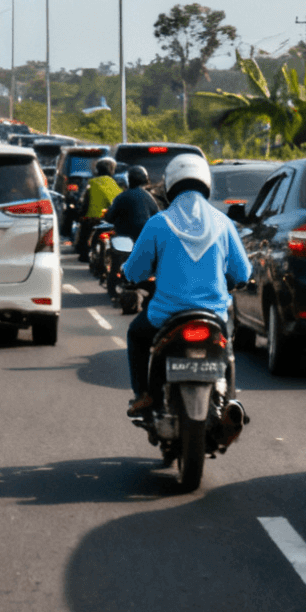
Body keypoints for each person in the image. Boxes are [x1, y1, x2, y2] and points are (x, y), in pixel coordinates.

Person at [119, 154, 250, 416]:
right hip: (214, 315)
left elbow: (134, 270)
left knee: (136, 334)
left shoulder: (158, 223)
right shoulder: (224, 223)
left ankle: (143, 395)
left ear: (170, 186)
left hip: (166, 317)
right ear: (206, 183)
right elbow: (243, 272)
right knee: (229, 348)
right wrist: (238, 281)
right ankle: (230, 401)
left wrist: (128, 276)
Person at [76, 156, 123, 261]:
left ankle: (84, 254)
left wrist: (80, 215)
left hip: (92, 220)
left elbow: (85, 202)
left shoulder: (92, 183)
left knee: (83, 237)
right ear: (112, 170)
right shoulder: (114, 184)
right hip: (110, 220)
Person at [103, 165, 161, 242]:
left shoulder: (121, 197)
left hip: (124, 239)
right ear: (146, 180)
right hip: (144, 238)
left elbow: (110, 218)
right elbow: (158, 216)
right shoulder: (148, 196)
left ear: (129, 180)